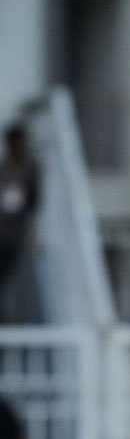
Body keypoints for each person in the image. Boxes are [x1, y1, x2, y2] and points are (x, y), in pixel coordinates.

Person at [0, 125, 40, 319]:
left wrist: (32, 235)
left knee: (8, 279)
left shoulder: (30, 170)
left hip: (14, 236)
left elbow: (34, 203)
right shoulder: (3, 169)